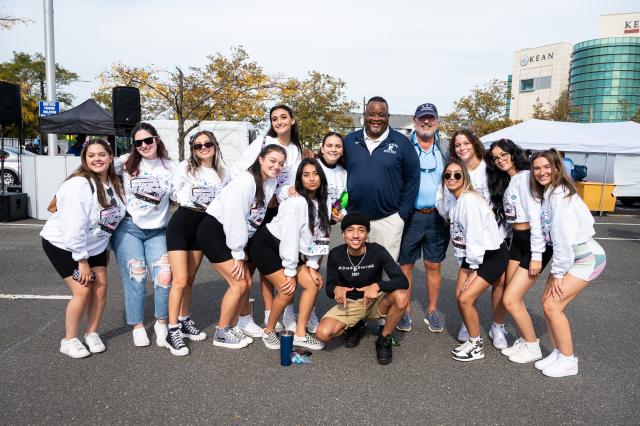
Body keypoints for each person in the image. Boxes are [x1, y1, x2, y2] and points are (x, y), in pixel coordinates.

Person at [40, 139, 126, 358]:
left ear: (110, 157)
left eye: (102, 154)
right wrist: (82, 260)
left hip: (95, 245)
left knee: (102, 287)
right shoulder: (78, 185)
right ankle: (68, 340)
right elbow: (73, 227)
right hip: (64, 244)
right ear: (85, 160)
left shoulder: (114, 183)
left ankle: (91, 333)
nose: (97, 159)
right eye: (91, 155)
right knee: (83, 290)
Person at [196, 144, 286, 349]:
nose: (277, 166)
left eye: (281, 163)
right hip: (215, 232)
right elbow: (234, 218)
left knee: (244, 281)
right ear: (261, 159)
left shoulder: (269, 182)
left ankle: (238, 324)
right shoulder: (245, 183)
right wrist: (238, 252)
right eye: (272, 160)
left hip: (231, 234)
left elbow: (254, 218)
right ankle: (221, 332)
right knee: (239, 283)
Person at [531, 149, 606, 378]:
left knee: (553, 306)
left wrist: (559, 273)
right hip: (572, 258)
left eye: (546, 167)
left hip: (586, 257)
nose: (542, 172)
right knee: (548, 304)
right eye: (536, 168)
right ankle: (557, 353)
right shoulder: (549, 194)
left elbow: (563, 238)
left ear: (557, 168)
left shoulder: (561, 195)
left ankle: (568, 360)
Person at [234, 105, 303, 336]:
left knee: (273, 266)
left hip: (280, 214)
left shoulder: (297, 150)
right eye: (274, 119)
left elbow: (292, 184)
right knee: (248, 265)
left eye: (284, 117)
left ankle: (278, 313)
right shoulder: (262, 143)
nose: (279, 122)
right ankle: (246, 318)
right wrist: (254, 193)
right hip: (256, 210)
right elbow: (238, 170)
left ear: (293, 120)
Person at [251, 158, 330, 351]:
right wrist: (290, 270)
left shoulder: (321, 201)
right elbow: (290, 239)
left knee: (313, 284)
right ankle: (268, 331)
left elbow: (320, 236)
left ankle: (300, 334)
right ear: (299, 180)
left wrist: (312, 266)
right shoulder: (297, 203)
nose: (311, 178)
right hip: (267, 245)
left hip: (289, 249)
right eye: (306, 175)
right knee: (287, 289)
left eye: (315, 173)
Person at [487, 139, 553, 364]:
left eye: (503, 154)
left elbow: (535, 217)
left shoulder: (525, 178)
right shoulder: (510, 181)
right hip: (517, 241)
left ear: (513, 153)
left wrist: (536, 256)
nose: (500, 160)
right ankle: (525, 340)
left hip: (535, 245)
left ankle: (532, 346)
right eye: (496, 158)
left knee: (511, 298)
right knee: (507, 290)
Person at [111, 122, 176, 348]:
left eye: (148, 140)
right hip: (129, 228)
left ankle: (161, 321)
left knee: (165, 276)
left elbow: (183, 192)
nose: (144, 145)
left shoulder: (171, 166)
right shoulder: (125, 163)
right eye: (138, 143)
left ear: (156, 139)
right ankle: (137, 325)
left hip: (158, 230)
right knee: (136, 277)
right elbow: (96, 165)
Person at [163, 131, 227, 356]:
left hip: (203, 228)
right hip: (182, 224)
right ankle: (172, 331)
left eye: (207, 144)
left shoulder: (223, 172)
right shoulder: (185, 167)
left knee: (189, 279)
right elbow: (174, 191)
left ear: (215, 146)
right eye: (198, 145)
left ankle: (184, 319)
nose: (203, 148)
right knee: (179, 280)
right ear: (193, 149)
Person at [315, 212, 409, 365]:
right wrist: (335, 290)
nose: (356, 235)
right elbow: (330, 286)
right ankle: (357, 325)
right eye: (350, 230)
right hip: (350, 304)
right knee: (323, 334)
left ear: (367, 234)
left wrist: (378, 285)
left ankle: (384, 339)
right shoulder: (335, 254)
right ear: (344, 234)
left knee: (401, 296)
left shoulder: (377, 251)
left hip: (374, 300)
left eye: (361, 230)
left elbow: (402, 280)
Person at [444, 129, 508, 348]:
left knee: (493, 286)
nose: (462, 147)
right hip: (473, 247)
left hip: (493, 242)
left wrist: (472, 267)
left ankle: (495, 328)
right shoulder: (455, 198)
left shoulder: (488, 170)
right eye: (457, 144)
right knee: (462, 294)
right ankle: (470, 323)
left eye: (466, 143)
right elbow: (448, 211)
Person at [343, 96, 420, 261]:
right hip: (355, 220)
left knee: (385, 277)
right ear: (364, 115)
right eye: (371, 114)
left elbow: (412, 179)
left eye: (381, 115)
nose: (376, 119)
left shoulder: (402, 143)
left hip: (389, 220)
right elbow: (336, 174)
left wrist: (402, 215)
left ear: (388, 117)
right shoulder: (349, 141)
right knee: (355, 272)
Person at [397, 103, 449, 333]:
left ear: (437, 121)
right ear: (415, 120)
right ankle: (404, 310)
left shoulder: (446, 149)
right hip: (411, 216)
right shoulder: (404, 147)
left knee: (433, 265)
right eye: (422, 119)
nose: (426, 122)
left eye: (431, 118)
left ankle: (432, 310)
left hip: (438, 217)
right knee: (406, 265)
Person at [317, 131, 348, 224]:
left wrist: (342, 212)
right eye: (329, 145)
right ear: (322, 149)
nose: (333, 149)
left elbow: (344, 196)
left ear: (342, 151)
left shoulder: (343, 172)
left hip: (325, 227)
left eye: (338, 146)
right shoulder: (312, 166)